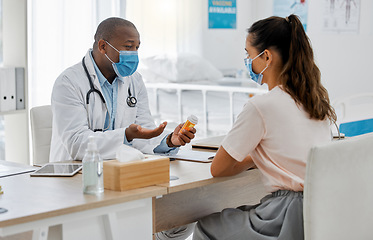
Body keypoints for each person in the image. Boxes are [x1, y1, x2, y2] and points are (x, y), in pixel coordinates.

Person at [193, 15, 337, 240]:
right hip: (320, 209)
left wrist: (253, 156)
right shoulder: (315, 101)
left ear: (266, 56)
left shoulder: (260, 106)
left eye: (248, 55)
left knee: (205, 227)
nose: (248, 62)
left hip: (284, 214)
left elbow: (218, 168)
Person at [50, 17, 196, 162]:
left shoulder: (134, 80)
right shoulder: (68, 82)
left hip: (119, 169)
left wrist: (170, 141)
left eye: (137, 48)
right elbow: (76, 143)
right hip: (76, 173)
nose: (133, 53)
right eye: (128, 47)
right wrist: (126, 135)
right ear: (103, 47)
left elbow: (143, 132)